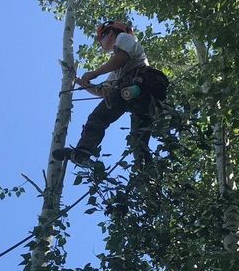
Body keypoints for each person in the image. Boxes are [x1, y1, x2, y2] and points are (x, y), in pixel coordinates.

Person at [53, 20, 168, 165]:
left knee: (98, 117)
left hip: (140, 83)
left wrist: (94, 73)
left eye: (101, 38)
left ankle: (83, 151)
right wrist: (80, 82)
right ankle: (148, 178)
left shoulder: (124, 38)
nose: (101, 43)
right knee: (138, 144)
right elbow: (104, 92)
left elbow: (120, 58)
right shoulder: (118, 73)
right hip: (142, 97)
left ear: (110, 33)